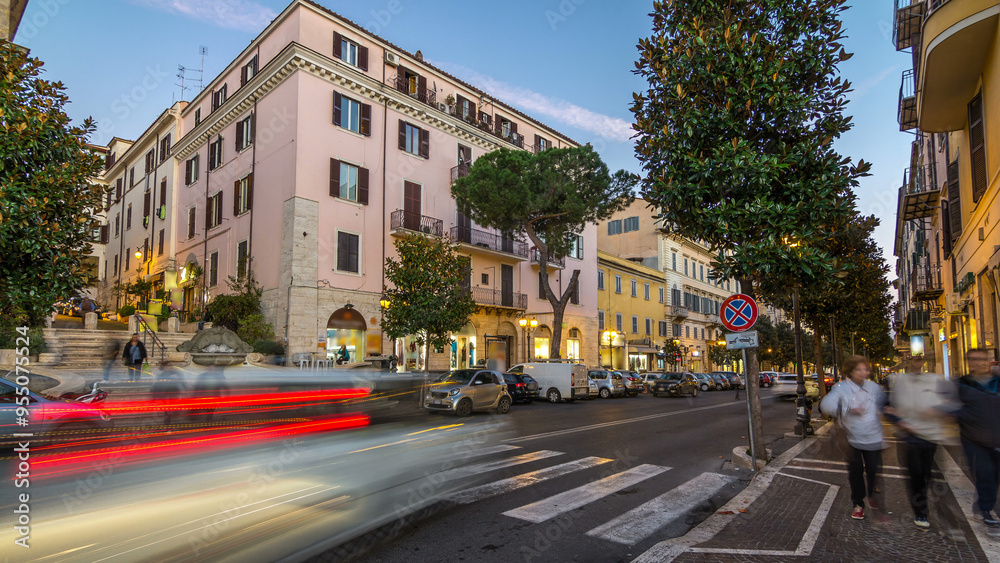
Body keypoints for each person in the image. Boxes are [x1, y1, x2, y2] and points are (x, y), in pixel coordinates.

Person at [885, 348, 956, 530]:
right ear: (907, 363)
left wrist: (940, 411)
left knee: (930, 475)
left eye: (919, 360)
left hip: (932, 436)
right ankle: (921, 512)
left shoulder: (936, 380)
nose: (916, 364)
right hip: (910, 437)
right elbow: (889, 407)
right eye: (913, 360)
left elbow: (952, 403)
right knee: (916, 475)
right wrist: (899, 420)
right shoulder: (900, 382)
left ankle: (939, 509)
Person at [820, 355, 886, 521]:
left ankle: (870, 494)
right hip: (852, 438)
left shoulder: (873, 387)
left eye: (865, 369)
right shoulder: (841, 388)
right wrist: (849, 409)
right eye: (859, 369)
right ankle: (858, 504)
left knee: (873, 469)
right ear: (851, 371)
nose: (863, 372)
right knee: (855, 473)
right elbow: (826, 405)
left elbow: (883, 404)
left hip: (873, 436)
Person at [954, 348, 1000, 527]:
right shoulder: (962, 384)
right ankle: (985, 510)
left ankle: (980, 506)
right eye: (973, 359)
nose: (977, 362)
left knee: (994, 475)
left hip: (995, 437)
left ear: (987, 360)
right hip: (973, 438)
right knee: (985, 472)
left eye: (981, 359)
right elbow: (954, 407)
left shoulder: (997, 381)